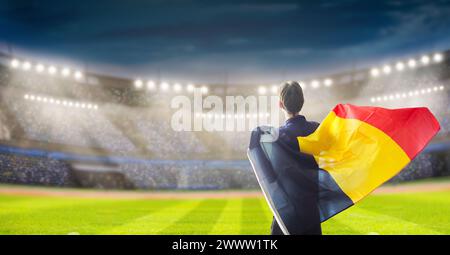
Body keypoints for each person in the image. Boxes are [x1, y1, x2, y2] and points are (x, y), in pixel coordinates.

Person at [270, 81, 322, 235]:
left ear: (280, 104)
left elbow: (272, 175)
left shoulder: (276, 137)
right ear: (302, 102)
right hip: (311, 209)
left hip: (286, 210)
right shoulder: (317, 130)